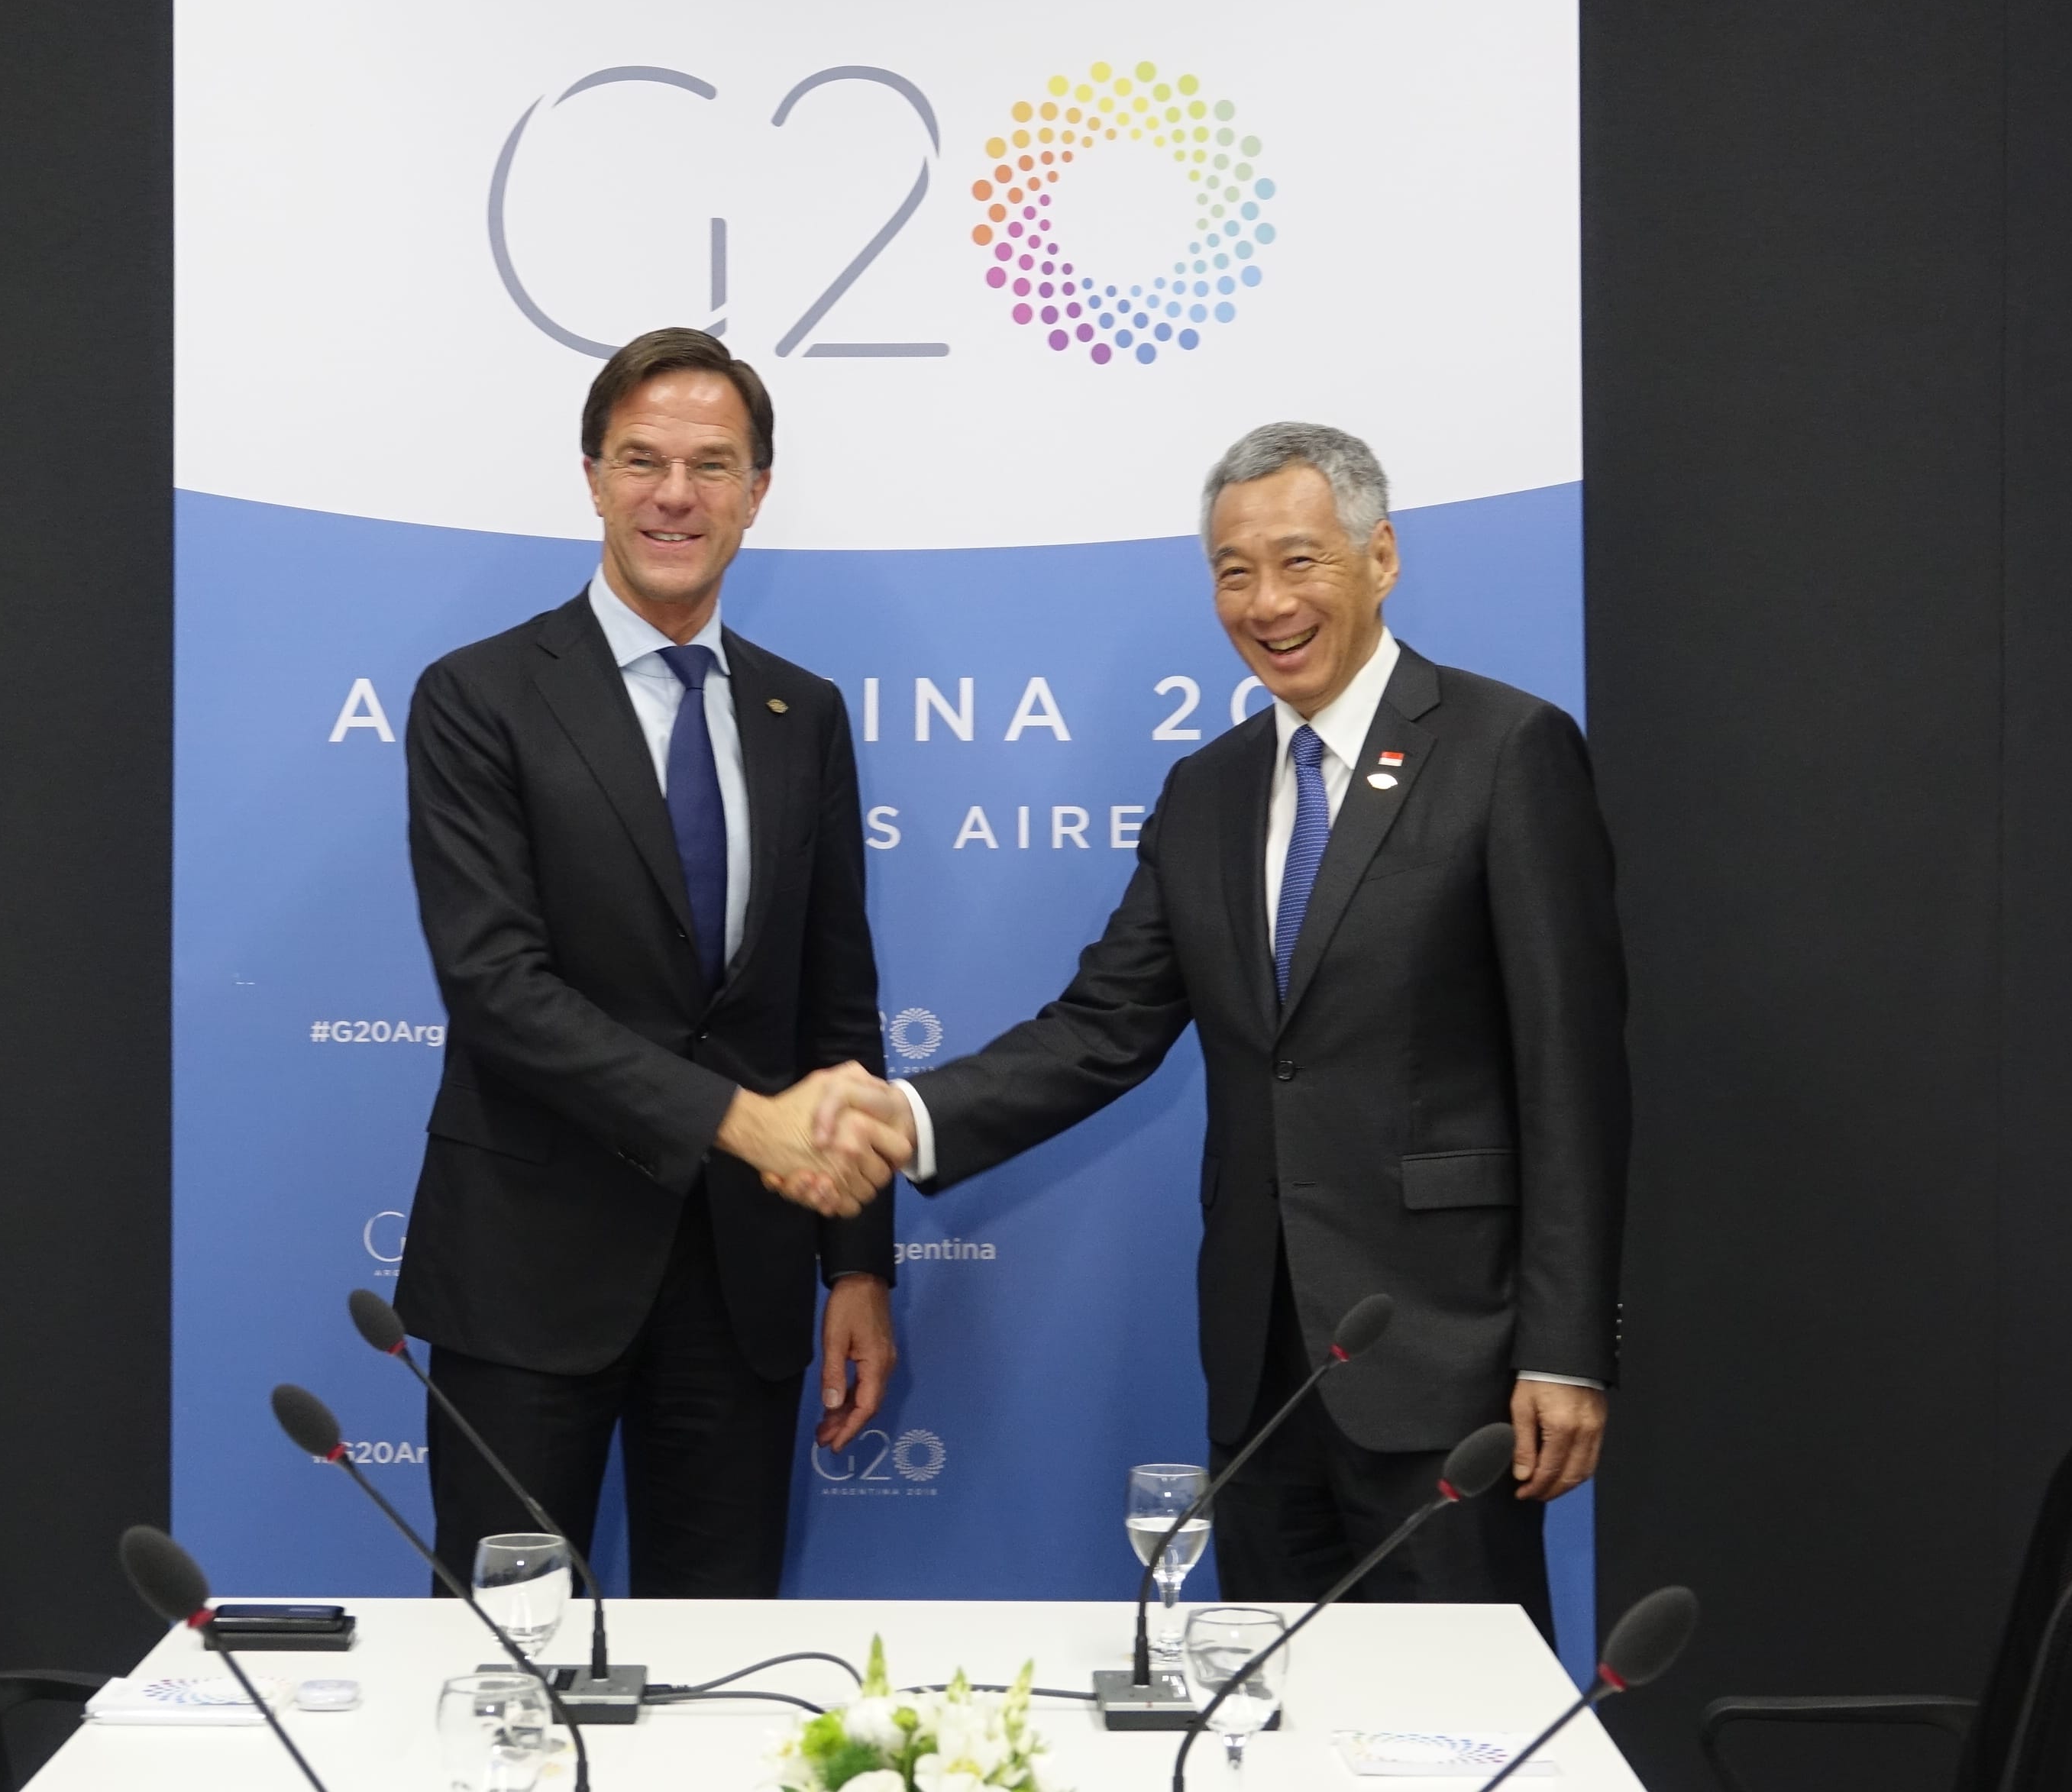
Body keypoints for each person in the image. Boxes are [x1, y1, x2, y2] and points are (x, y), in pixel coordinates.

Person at [805, 422, 1626, 1629]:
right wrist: (907, 1114)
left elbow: (1573, 1076)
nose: (1267, 603)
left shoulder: (1506, 750)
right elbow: (1105, 1023)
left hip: (1450, 1356)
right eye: (1234, 572)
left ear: (1381, 557)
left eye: (1299, 561)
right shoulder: (1210, 789)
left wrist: (1564, 1347)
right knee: (1265, 1690)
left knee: (1452, 1705)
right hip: (1263, 1364)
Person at [392, 328, 912, 1598]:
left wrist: (857, 1264)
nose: (675, 494)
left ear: (756, 493)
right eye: (643, 460)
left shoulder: (804, 713)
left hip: (744, 1284)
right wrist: (739, 1120)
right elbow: (498, 988)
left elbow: (836, 1006)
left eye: (711, 465)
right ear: (593, 477)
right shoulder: (480, 696)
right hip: (527, 1273)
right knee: (505, 1657)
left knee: (722, 1660)